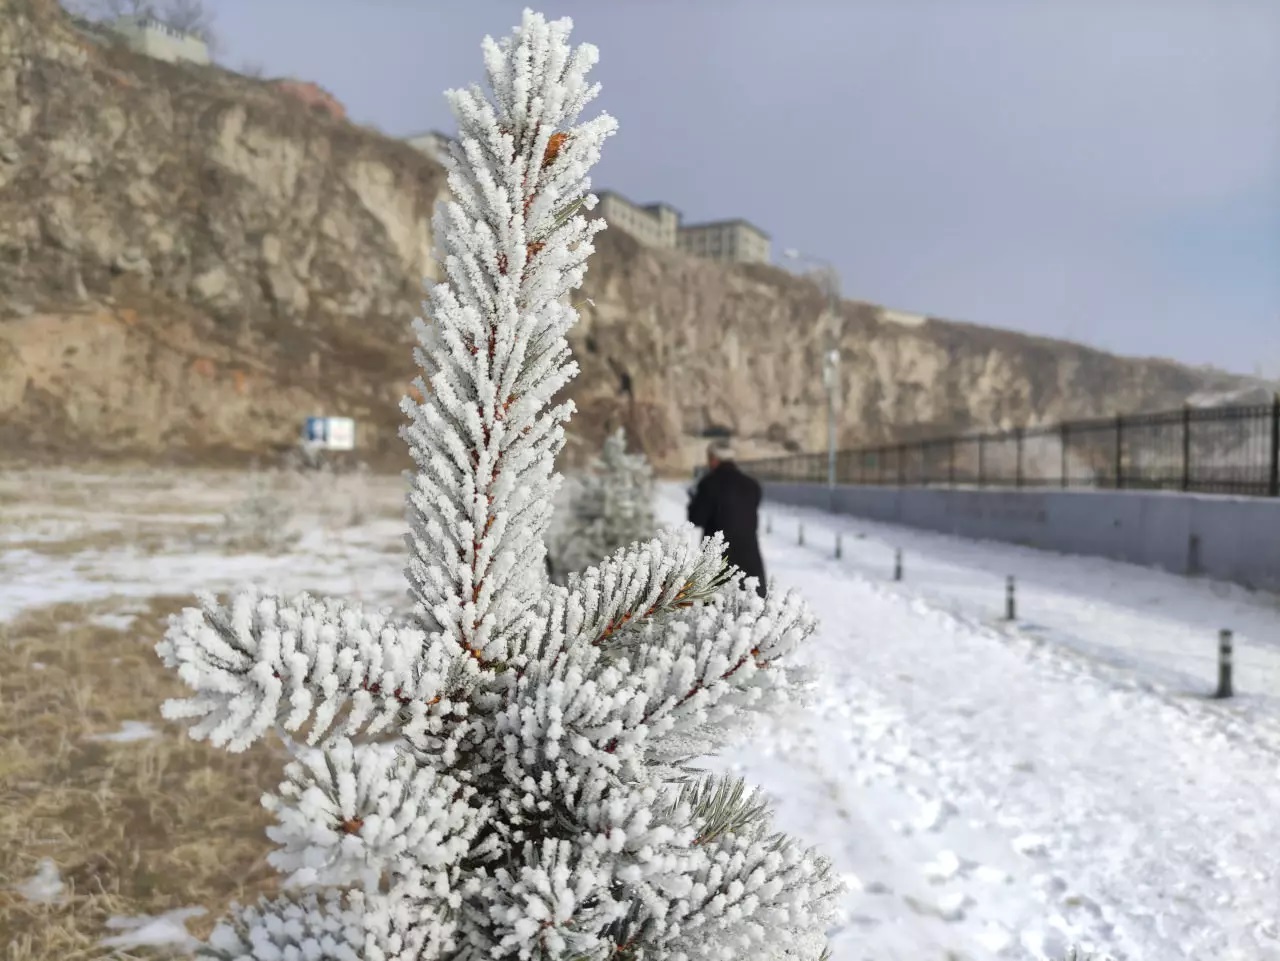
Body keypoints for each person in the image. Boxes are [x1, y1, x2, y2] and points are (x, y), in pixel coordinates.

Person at [687, 440, 767, 597]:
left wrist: (694, 501)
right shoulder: (752, 485)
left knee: (714, 613)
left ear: (714, 459)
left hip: (717, 559)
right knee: (749, 609)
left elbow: (696, 519)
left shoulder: (708, 484)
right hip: (749, 558)